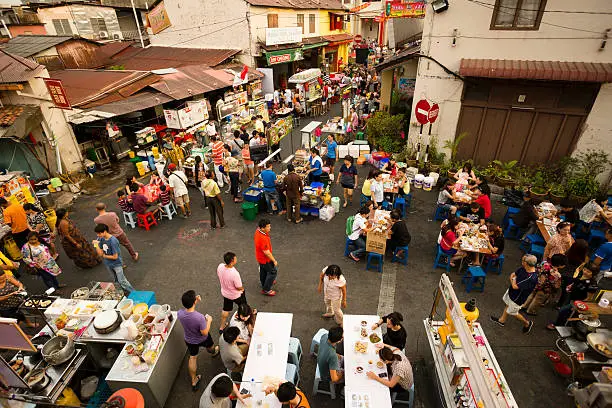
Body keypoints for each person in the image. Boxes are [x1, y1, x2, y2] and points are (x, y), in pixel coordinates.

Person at [178, 290, 219, 391]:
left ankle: (193, 380)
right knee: (211, 347)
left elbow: (189, 307)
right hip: (202, 339)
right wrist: (209, 320)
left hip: (189, 340)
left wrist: (196, 299)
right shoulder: (199, 317)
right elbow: (204, 332)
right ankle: (214, 353)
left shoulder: (180, 313)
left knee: (193, 358)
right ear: (194, 302)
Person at [490, 254, 539, 334]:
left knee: (513, 312)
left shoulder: (531, 278)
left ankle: (527, 323)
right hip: (511, 292)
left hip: (517, 298)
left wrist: (513, 279)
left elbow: (515, 286)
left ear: (526, 263)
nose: (521, 261)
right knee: (507, 305)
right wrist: (514, 279)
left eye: (523, 260)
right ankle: (502, 320)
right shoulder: (524, 268)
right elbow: (513, 275)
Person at [547, 262, 599, 330]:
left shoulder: (592, 284)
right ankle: (563, 323)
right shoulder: (581, 274)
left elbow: (589, 298)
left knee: (562, 311)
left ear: (593, 274)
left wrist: (577, 305)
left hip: (577, 302)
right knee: (566, 312)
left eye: (588, 272)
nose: (585, 272)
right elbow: (576, 281)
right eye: (585, 269)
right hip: (571, 296)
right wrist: (571, 286)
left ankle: (558, 325)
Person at [93, 224, 135, 295]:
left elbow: (115, 257)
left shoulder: (113, 241)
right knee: (115, 280)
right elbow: (100, 254)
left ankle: (134, 293)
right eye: (97, 233)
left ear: (105, 231)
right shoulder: (101, 239)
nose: (98, 235)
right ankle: (123, 292)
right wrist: (96, 245)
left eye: (99, 233)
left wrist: (104, 255)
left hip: (117, 264)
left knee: (122, 281)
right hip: (108, 264)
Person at [217, 252, 246, 333]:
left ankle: (222, 327)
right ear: (232, 261)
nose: (236, 258)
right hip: (236, 295)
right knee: (243, 307)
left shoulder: (220, 267)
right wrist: (242, 289)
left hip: (225, 293)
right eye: (235, 258)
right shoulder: (234, 273)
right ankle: (244, 321)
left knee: (226, 309)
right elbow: (238, 286)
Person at [558, 239, 590, 306]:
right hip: (571, 276)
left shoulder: (568, 253)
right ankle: (559, 304)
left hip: (561, 272)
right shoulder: (584, 259)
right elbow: (580, 269)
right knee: (565, 291)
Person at [254, 219, 278, 296]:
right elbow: (267, 252)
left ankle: (264, 282)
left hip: (260, 257)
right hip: (265, 259)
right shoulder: (262, 238)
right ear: (262, 228)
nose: (270, 228)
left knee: (263, 270)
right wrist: (274, 260)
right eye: (268, 227)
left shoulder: (258, 231)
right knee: (273, 272)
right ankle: (266, 289)